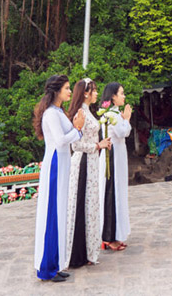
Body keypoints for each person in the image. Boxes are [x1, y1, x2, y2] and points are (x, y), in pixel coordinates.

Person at [32, 75, 85, 282]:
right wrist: (78, 130)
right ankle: (47, 268)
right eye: (66, 88)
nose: (70, 92)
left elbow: (69, 135)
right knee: (52, 215)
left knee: (60, 214)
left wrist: (76, 128)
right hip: (55, 166)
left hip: (62, 165)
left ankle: (55, 264)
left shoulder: (59, 112)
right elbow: (61, 141)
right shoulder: (51, 115)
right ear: (56, 91)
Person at [64, 78, 111, 269]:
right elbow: (75, 144)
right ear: (85, 93)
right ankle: (77, 253)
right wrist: (98, 145)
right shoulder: (80, 113)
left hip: (91, 162)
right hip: (83, 161)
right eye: (94, 90)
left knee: (89, 204)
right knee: (81, 204)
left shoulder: (88, 112)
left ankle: (86, 251)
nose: (97, 94)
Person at [98, 82, 133, 251]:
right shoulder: (111, 114)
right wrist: (126, 120)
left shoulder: (113, 113)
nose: (124, 96)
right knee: (111, 193)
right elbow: (122, 132)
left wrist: (124, 120)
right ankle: (109, 236)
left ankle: (116, 234)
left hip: (118, 155)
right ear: (113, 97)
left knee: (118, 193)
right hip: (111, 157)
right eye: (121, 93)